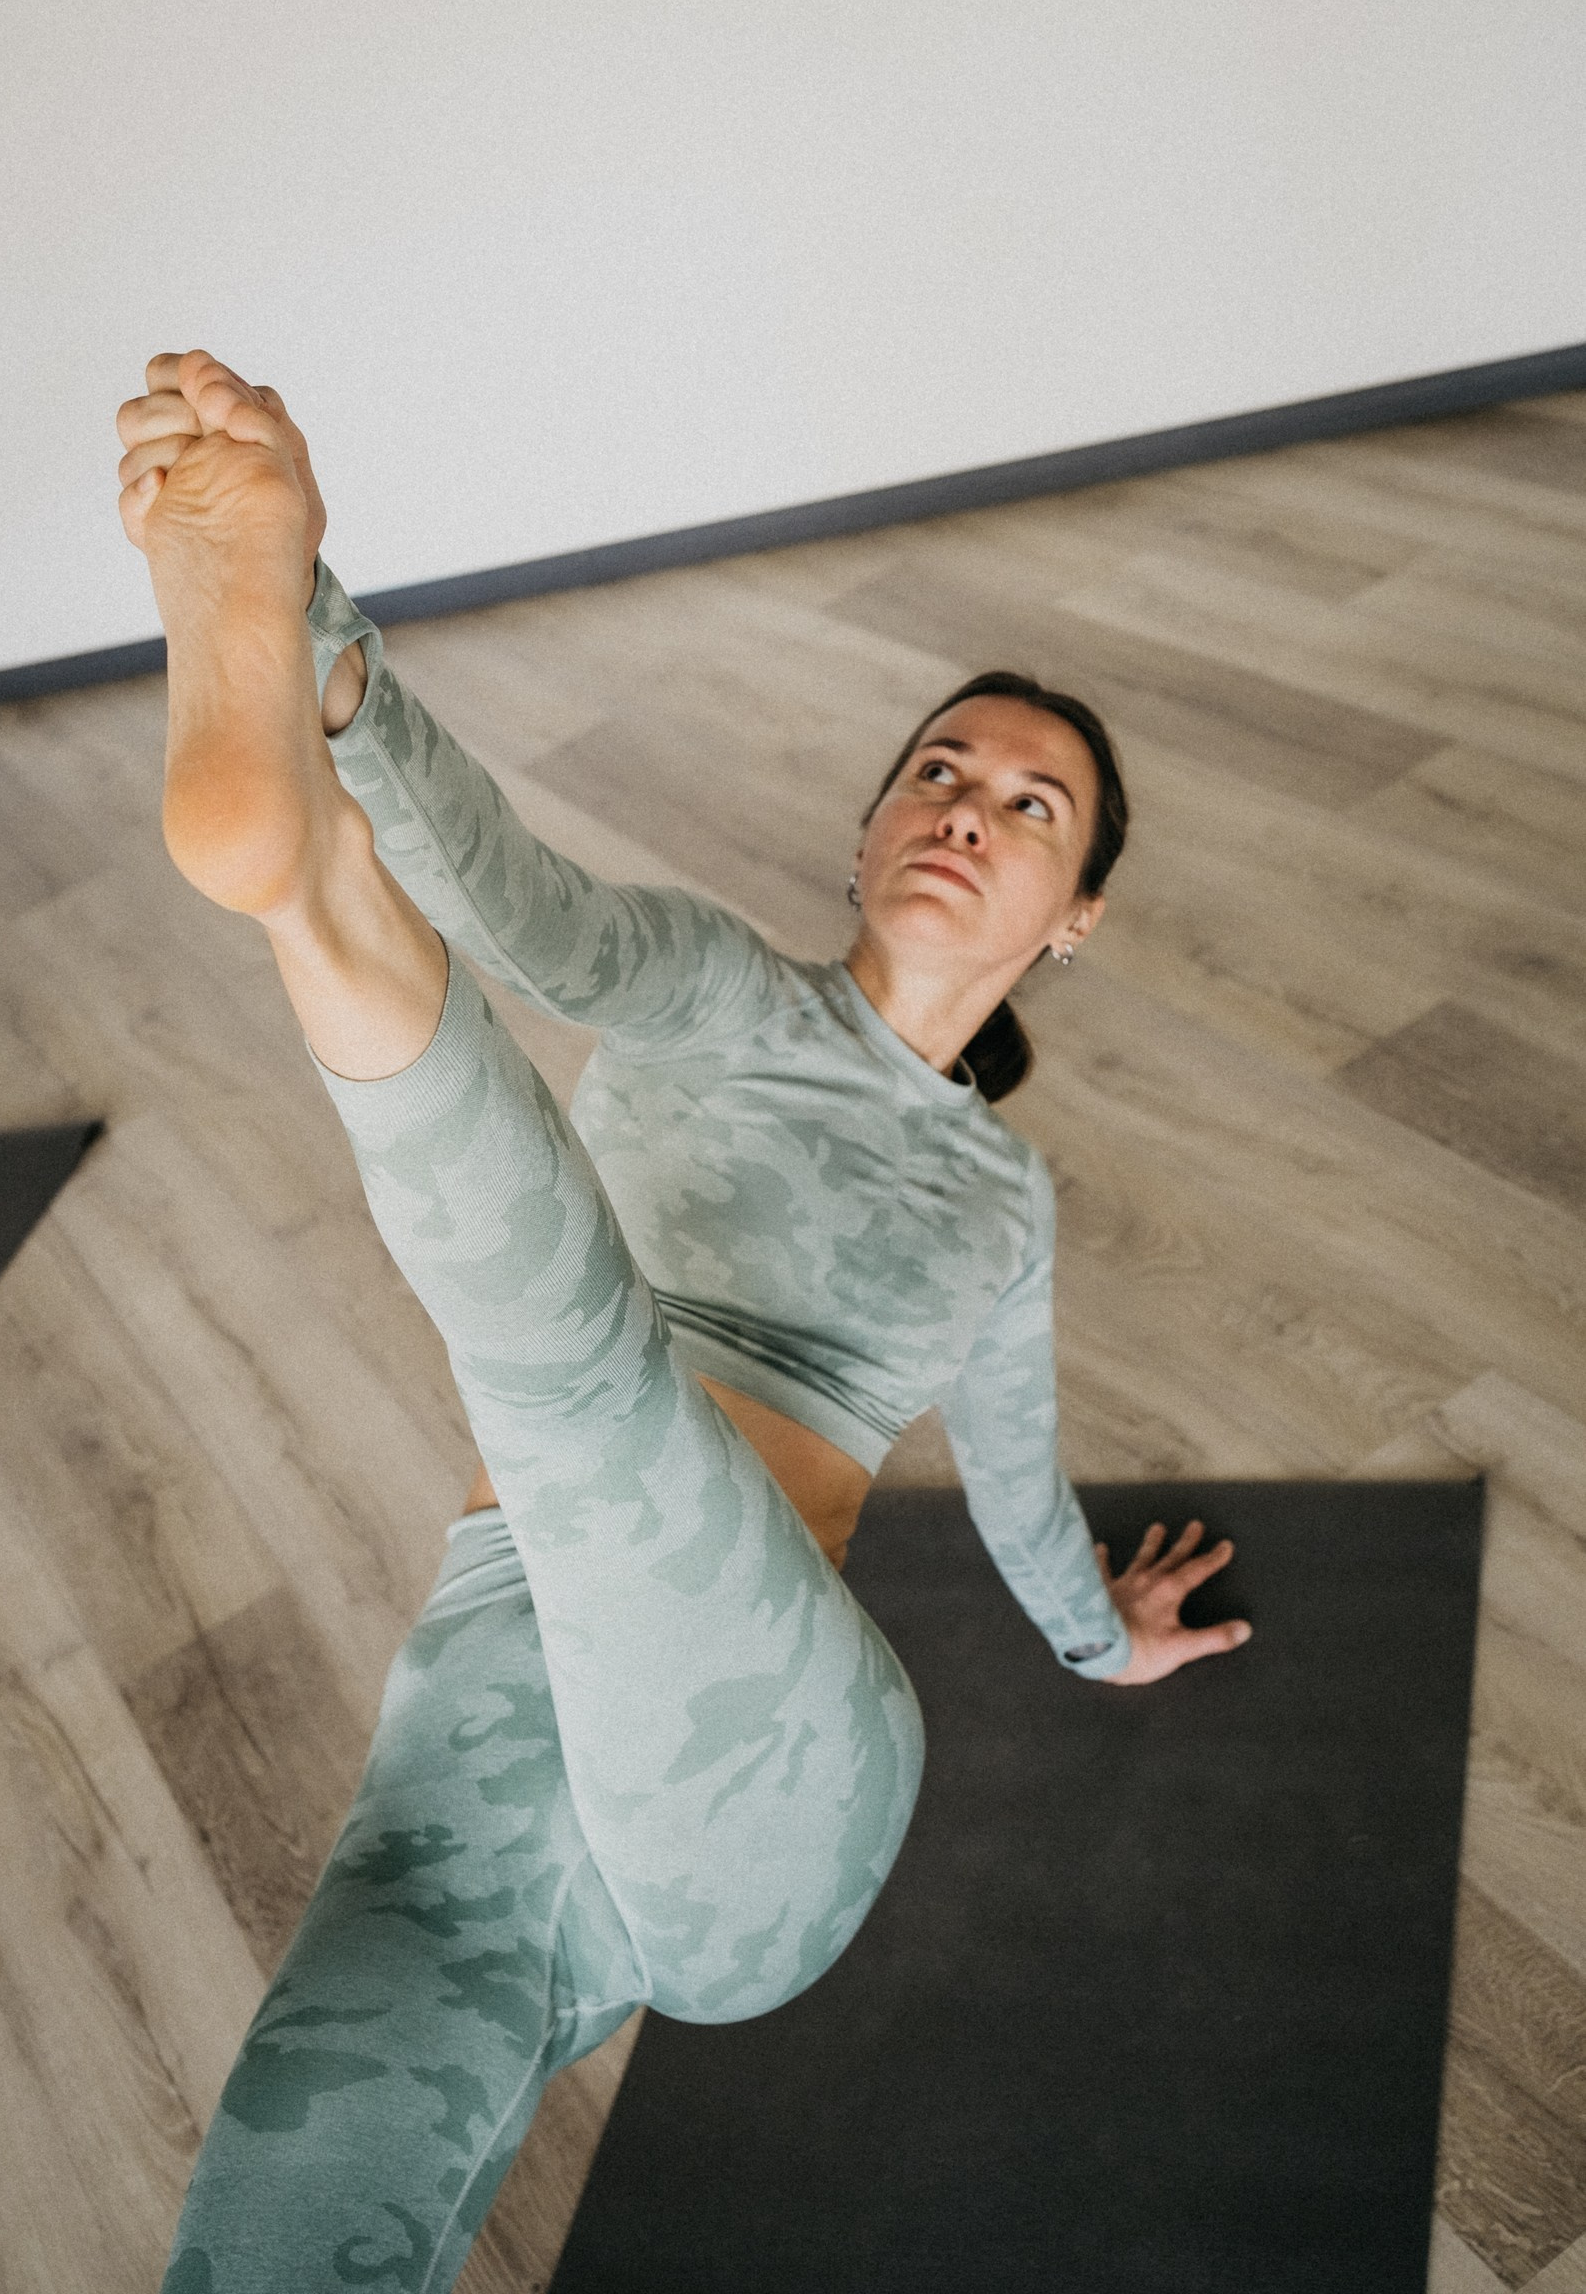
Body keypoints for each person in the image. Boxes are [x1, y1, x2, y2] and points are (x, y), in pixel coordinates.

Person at [116, 351, 1250, 2294]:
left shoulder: (1002, 1199)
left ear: (1075, 912)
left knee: (582, 1378)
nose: (966, 810)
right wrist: (331, 651)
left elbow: (1011, 1466)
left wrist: (1096, 1635)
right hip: (488, 1709)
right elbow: (518, 901)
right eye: (936, 772)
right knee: (276, 2211)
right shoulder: (720, 986)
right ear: (865, 829)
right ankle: (300, 779)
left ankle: (310, 898)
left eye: (1028, 804)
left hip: (768, 1775)